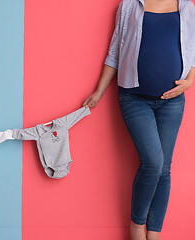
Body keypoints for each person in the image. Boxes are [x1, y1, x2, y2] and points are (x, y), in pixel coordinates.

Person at [83, 0, 195, 239]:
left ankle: (153, 233)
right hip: (134, 97)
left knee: (164, 169)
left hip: (173, 101)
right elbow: (115, 52)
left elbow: (192, 49)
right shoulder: (129, 6)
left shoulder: (187, 7)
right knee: (153, 164)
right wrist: (98, 92)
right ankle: (137, 227)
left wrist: (190, 80)